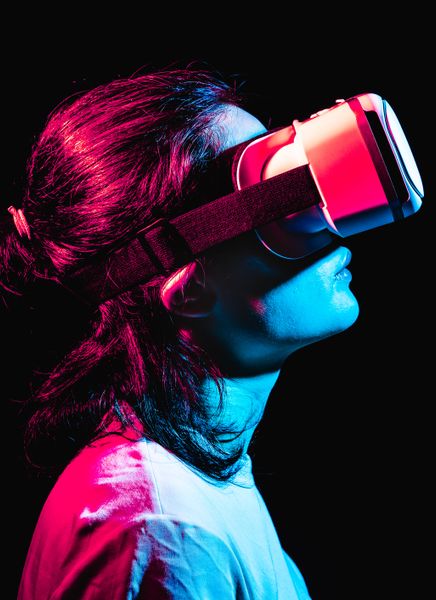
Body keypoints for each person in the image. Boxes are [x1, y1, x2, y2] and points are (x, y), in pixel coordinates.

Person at [2, 70, 359, 599]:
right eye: (280, 210)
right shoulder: (163, 532)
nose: (330, 223)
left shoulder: (205, 477)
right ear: (190, 292)